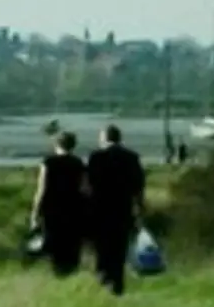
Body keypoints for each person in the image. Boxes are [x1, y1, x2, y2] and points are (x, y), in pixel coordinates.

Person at [85, 124, 147, 297]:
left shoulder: (96, 157)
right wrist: (140, 211)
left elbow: (88, 186)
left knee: (102, 251)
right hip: (122, 210)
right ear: (119, 138)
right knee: (119, 251)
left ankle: (103, 283)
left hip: (100, 211)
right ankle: (117, 286)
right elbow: (139, 187)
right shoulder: (131, 158)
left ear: (104, 138)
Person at [30, 132, 88, 278]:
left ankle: (58, 275)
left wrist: (35, 213)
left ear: (56, 144)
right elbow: (85, 189)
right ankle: (71, 276)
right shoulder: (78, 163)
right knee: (72, 247)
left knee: (54, 247)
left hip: (53, 211)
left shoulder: (48, 163)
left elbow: (41, 190)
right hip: (74, 210)